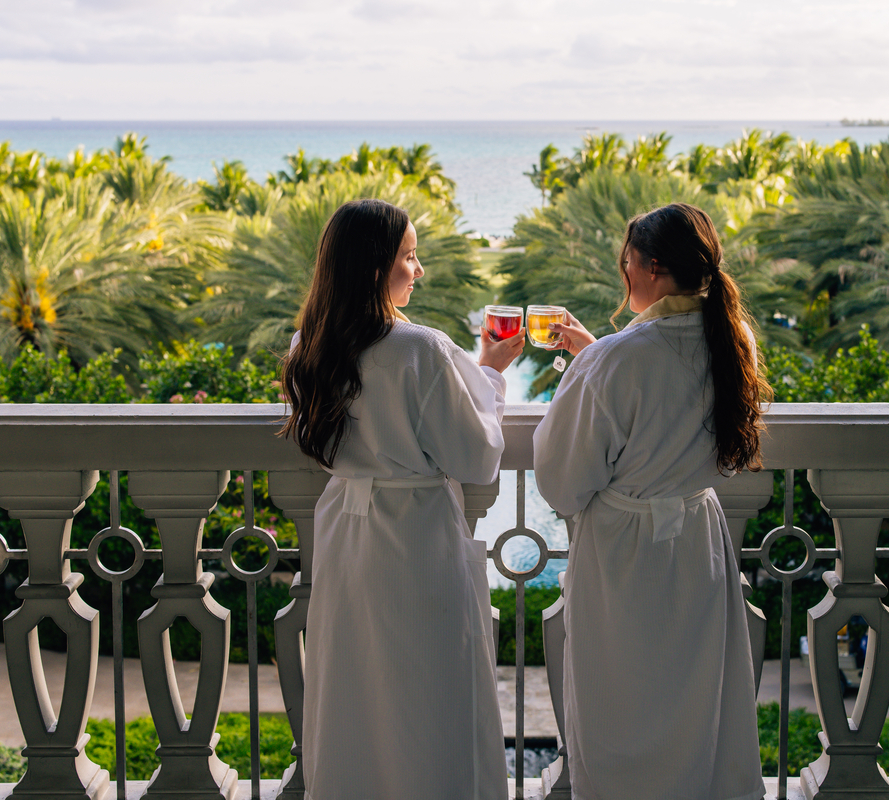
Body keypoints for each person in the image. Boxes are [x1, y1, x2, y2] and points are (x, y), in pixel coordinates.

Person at [279, 199, 524, 800]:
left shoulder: (306, 347)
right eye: (409, 258)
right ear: (373, 268)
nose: (420, 270)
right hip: (414, 537)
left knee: (354, 688)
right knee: (429, 692)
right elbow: (475, 456)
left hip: (346, 530)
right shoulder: (420, 349)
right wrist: (491, 374)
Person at [532, 203, 769, 800]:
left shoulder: (615, 361)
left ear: (652, 266)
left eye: (628, 263)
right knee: (695, 700)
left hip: (626, 555)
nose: (625, 276)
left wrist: (587, 364)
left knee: (621, 706)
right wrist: (598, 354)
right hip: (695, 538)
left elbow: (562, 481)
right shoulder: (731, 338)